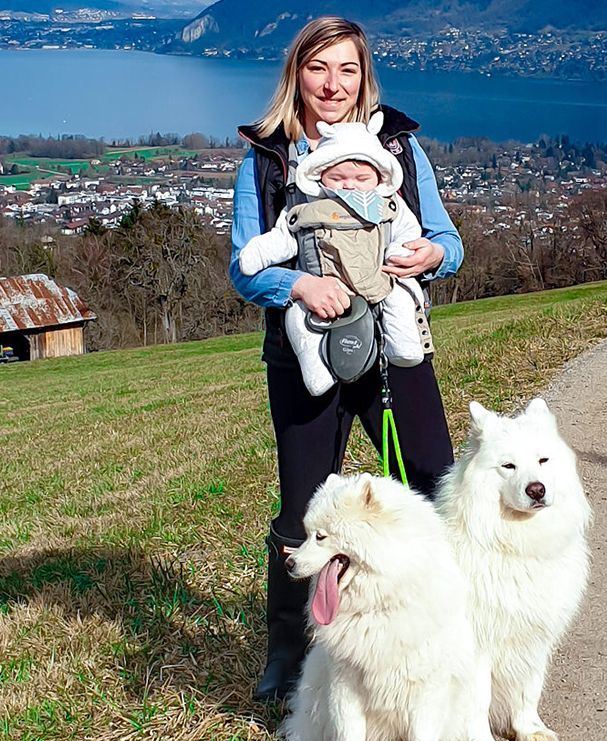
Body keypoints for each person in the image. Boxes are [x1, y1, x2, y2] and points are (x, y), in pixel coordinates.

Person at [229, 16, 464, 703]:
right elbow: (245, 268)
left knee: (432, 482)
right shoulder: (267, 157)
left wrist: (430, 255)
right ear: (295, 74)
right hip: (305, 347)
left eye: (347, 70)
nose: (332, 85)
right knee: (306, 508)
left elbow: (448, 241)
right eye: (318, 68)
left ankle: (442, 635)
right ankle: (291, 652)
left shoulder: (396, 147)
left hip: (395, 348)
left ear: (365, 79)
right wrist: (299, 283)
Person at [236, 116, 434, 396]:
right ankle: (316, 366)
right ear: (320, 175)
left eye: (361, 178)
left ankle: (403, 347)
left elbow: (410, 233)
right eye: (337, 178)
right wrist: (275, 267)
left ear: (380, 176)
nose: (349, 186)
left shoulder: (388, 206)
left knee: (400, 297)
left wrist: (415, 255)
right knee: (299, 316)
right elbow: (283, 238)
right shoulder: (308, 208)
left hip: (379, 282)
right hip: (324, 294)